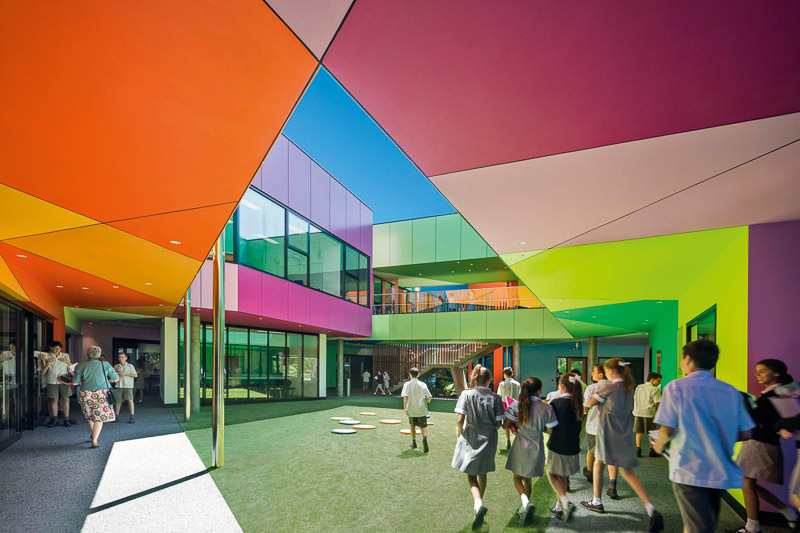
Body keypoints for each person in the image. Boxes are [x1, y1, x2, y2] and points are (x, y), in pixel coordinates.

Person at [653, 340, 756, 533]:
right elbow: (747, 432)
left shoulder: (676, 388)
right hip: (720, 469)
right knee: (701, 522)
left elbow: (667, 430)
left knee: (698, 527)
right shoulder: (730, 391)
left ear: (687, 358)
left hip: (689, 469)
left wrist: (659, 444)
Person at [581, 358, 664, 532]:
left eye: (605, 371)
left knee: (598, 464)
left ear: (611, 371)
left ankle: (596, 501)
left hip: (607, 431)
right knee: (627, 472)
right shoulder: (628, 388)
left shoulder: (608, 387)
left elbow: (588, 405)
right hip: (623, 433)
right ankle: (651, 508)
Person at [730, 359, 798, 533]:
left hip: (762, 444)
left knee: (747, 483)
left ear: (776, 373)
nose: (757, 374)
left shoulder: (777, 394)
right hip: (757, 442)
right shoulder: (771, 394)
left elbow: (770, 419)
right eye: (757, 371)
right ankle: (787, 512)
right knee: (747, 483)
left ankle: (752, 527)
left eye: (762, 371)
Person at [452, 366, 505, 529]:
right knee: (483, 472)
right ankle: (479, 504)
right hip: (489, 438)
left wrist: (458, 432)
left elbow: (460, 419)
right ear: (489, 380)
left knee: (471, 475)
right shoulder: (495, 397)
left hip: (472, 436)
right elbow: (499, 423)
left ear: (475, 379)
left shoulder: (466, 394)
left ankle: (478, 504)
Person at [503, 377, 557, 525]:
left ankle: (525, 503)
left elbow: (505, 425)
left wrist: (514, 425)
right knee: (528, 478)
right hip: (537, 446)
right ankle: (525, 506)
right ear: (539, 391)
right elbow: (550, 431)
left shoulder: (516, 405)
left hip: (520, 445)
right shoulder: (546, 407)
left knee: (517, 478)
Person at [547, 374, 584, 521]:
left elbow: (549, 426)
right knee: (562, 475)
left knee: (550, 473)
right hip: (572, 445)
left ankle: (565, 501)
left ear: (561, 386)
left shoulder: (555, 403)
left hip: (557, 445)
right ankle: (559, 507)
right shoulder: (578, 404)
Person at [67, 345, 119, 447]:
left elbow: (75, 383)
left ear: (87, 354)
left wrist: (72, 374)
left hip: (86, 393)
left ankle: (94, 435)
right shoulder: (105, 364)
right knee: (99, 417)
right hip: (102, 393)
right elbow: (116, 378)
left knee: (90, 415)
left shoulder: (80, 366)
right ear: (99, 355)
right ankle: (94, 440)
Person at [583, 364, 618, 490]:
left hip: (594, 426)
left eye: (594, 371)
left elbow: (585, 407)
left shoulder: (592, 388)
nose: (592, 373)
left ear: (601, 374)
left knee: (592, 450)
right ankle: (613, 483)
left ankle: (590, 473)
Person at [40, 341, 72, 427]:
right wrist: (47, 364)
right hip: (52, 380)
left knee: (65, 398)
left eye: (59, 348)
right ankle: (54, 419)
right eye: (56, 348)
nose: (58, 350)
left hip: (64, 380)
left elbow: (72, 368)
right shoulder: (46, 356)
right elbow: (42, 373)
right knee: (54, 400)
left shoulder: (65, 355)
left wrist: (67, 361)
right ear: (51, 347)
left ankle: (66, 419)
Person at [401, 367, 432, 452]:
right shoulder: (423, 384)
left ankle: (414, 442)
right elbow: (429, 397)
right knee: (423, 426)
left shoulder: (407, 384)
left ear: (410, 374)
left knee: (412, 425)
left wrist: (405, 408)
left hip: (411, 408)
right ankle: (424, 438)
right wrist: (427, 404)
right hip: (421, 408)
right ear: (418, 375)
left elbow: (405, 397)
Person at [633, 372, 662, 457]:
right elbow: (657, 403)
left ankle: (638, 450)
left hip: (638, 412)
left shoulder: (639, 387)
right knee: (651, 432)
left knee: (639, 432)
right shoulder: (655, 389)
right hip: (649, 413)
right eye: (658, 381)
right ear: (652, 380)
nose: (659, 383)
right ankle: (652, 451)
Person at [497, 366, 521, 450]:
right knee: (515, 422)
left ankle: (508, 441)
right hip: (515, 404)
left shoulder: (501, 384)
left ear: (504, 374)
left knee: (506, 422)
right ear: (512, 374)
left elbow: (499, 396)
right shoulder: (517, 384)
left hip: (505, 405)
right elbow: (519, 395)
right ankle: (516, 440)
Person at [113, 352, 138, 423]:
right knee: (118, 401)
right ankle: (116, 416)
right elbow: (112, 375)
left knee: (130, 400)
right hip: (119, 385)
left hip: (128, 385)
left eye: (122, 357)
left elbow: (135, 375)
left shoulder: (130, 366)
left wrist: (124, 374)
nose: (120, 358)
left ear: (126, 358)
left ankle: (132, 416)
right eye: (119, 357)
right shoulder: (116, 366)